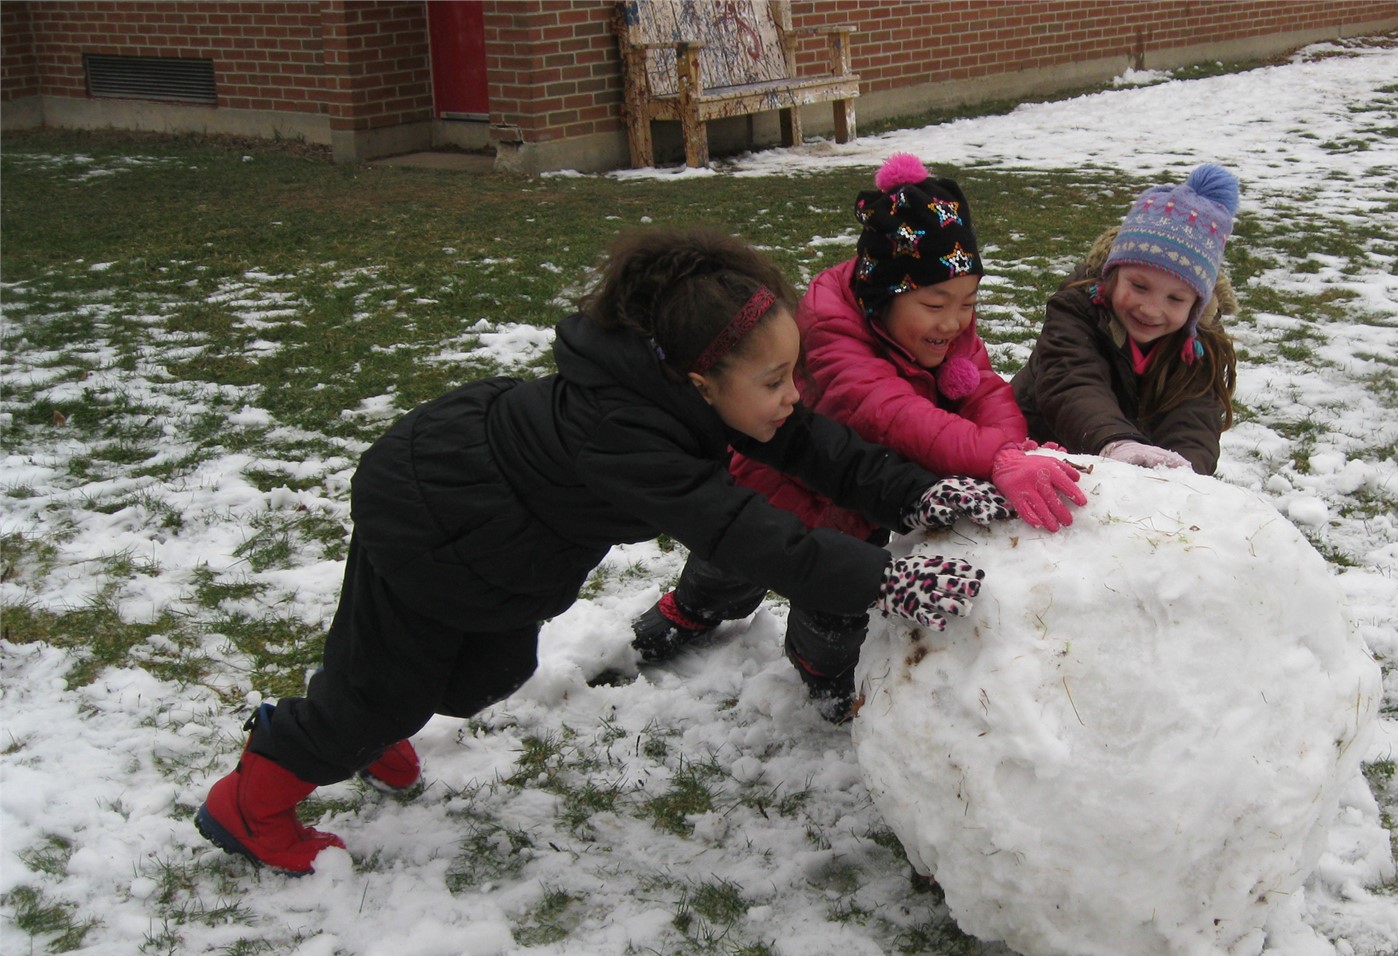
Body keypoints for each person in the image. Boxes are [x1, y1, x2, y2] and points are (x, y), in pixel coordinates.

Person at [196, 226, 1010, 876]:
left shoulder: (701, 389)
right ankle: (254, 799)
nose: (790, 396)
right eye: (773, 381)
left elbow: (818, 446)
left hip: (495, 536)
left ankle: (358, 710)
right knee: (385, 693)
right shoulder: (623, 435)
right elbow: (748, 535)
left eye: (791, 372)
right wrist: (889, 577)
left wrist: (914, 496)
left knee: (484, 676)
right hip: (441, 518)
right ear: (701, 384)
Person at [630, 153, 1085, 722]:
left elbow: (983, 388)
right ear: (883, 295)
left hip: (864, 497)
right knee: (733, 564)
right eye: (936, 304)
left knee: (837, 605)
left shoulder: (943, 332)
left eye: (968, 303)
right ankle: (692, 608)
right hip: (783, 487)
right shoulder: (833, 333)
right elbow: (891, 415)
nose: (955, 322)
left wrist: (1011, 448)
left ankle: (822, 674)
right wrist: (996, 456)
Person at [1010, 164, 1241, 476]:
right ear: (1113, 275)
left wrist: (1185, 472)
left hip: (1127, 468)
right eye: (1139, 286)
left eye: (1175, 299)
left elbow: (1194, 417)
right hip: (1041, 450)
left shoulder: (1198, 343)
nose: (1151, 309)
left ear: (1197, 306)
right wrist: (1117, 442)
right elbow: (1073, 381)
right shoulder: (1077, 311)